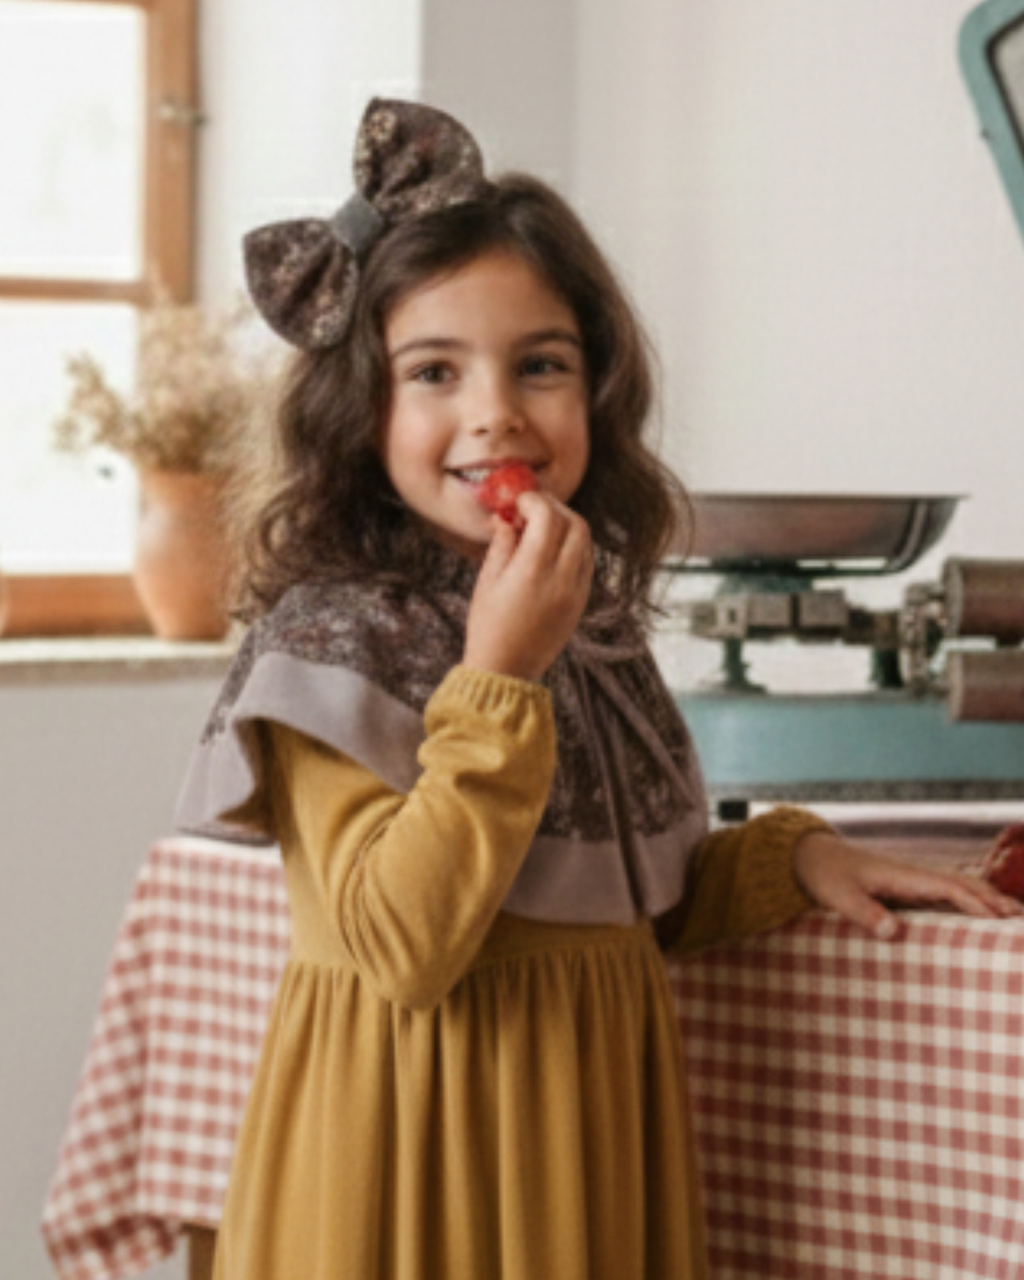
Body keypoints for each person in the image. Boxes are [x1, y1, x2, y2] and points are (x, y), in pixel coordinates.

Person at [175, 98, 1020, 1280]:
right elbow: (402, 943)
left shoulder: (590, 627)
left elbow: (629, 895)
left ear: (598, 392)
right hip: (414, 1165)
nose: (497, 412)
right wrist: (500, 672)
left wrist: (795, 858)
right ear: (360, 410)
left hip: (585, 1147)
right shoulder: (330, 643)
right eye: (434, 370)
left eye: (541, 364)